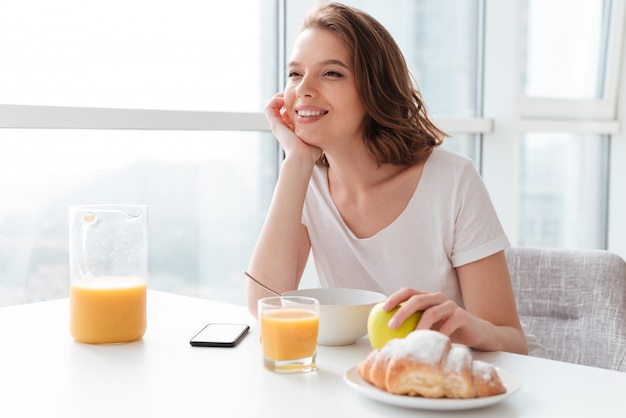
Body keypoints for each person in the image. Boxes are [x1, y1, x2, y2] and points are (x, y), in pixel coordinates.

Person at [246, 2, 528, 355]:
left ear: (373, 88)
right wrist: (296, 161)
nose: (303, 89)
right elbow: (265, 306)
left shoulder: (452, 181)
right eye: (294, 74)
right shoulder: (304, 183)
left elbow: (513, 342)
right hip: (366, 385)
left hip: (451, 390)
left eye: (331, 73)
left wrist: (470, 327)